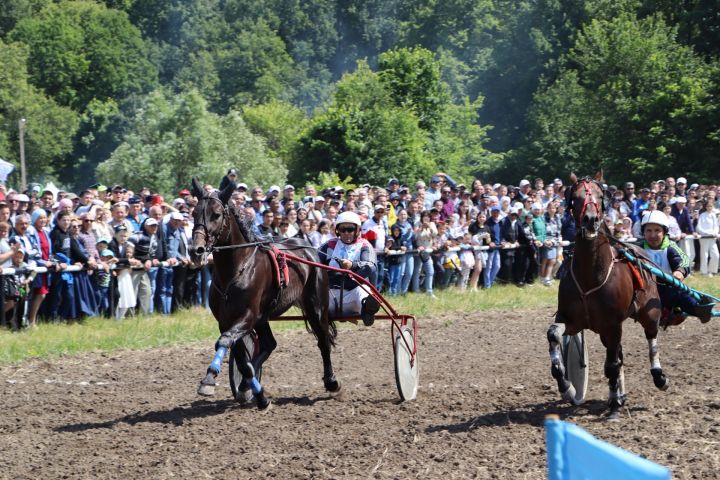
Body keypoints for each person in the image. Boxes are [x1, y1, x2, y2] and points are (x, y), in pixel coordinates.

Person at [640, 210, 713, 323]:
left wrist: (680, 271)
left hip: (666, 287)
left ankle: (699, 309)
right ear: (643, 232)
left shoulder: (671, 247)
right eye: (648, 230)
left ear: (664, 232)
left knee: (680, 293)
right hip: (643, 289)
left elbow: (683, 261)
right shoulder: (637, 249)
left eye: (657, 230)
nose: (653, 235)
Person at [318, 212, 380, 326]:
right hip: (330, 295)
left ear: (357, 230)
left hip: (353, 294)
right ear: (337, 231)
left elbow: (370, 266)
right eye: (343, 229)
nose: (346, 233)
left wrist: (352, 265)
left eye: (350, 229)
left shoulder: (365, 246)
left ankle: (368, 309)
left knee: (363, 290)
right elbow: (313, 262)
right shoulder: (329, 245)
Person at [695, 201, 719, 276]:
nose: (709, 208)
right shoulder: (702, 215)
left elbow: (716, 226)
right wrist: (706, 233)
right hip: (703, 237)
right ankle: (704, 271)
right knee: (704, 255)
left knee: (716, 255)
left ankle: (711, 271)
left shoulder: (713, 215)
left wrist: (714, 233)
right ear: (706, 207)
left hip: (712, 238)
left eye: (711, 206)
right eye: (708, 206)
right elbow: (698, 227)